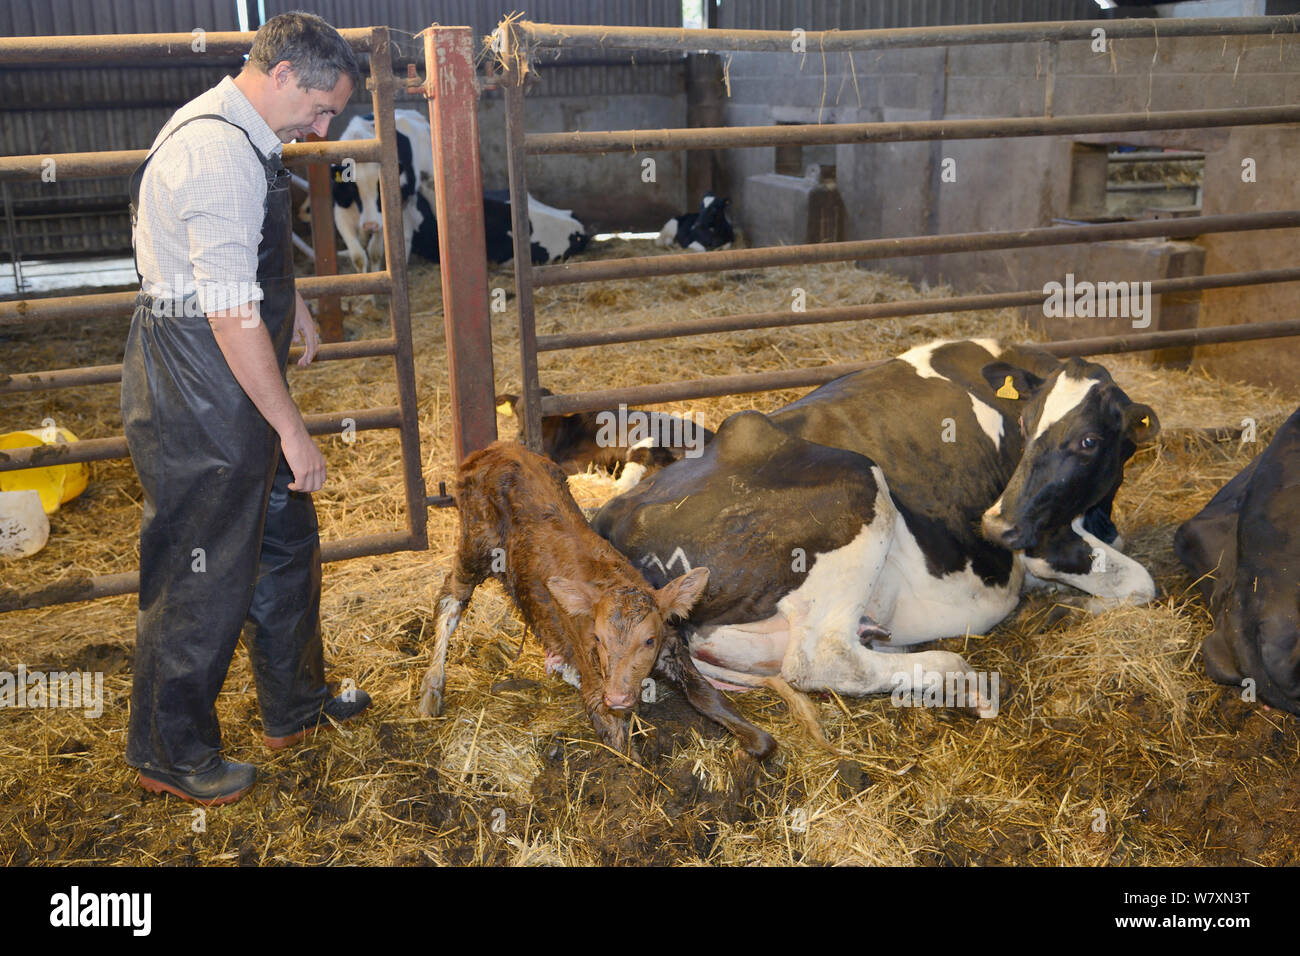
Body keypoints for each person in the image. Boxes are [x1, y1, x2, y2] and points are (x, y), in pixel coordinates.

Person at [123, 12, 369, 806]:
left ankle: (292, 706)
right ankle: (169, 750)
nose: (323, 127)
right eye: (323, 108)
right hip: (198, 374)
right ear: (286, 76)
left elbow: (235, 271)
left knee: (283, 536)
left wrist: (285, 305)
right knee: (203, 561)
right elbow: (225, 312)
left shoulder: (251, 133)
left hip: (230, 357)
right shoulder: (217, 153)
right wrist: (293, 433)